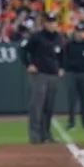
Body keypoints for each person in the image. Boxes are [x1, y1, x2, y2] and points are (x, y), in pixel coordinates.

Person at [22, 14, 65, 144]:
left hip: (53, 75)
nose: (52, 24)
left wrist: (62, 67)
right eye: (49, 22)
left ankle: (46, 134)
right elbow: (23, 51)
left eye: (54, 22)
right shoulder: (37, 37)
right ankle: (35, 136)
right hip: (40, 75)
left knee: (49, 107)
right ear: (44, 23)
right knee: (36, 106)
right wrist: (29, 64)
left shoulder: (59, 38)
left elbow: (62, 55)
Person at [63, 28, 84, 130]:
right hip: (72, 74)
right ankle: (71, 122)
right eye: (77, 33)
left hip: (83, 74)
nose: (79, 35)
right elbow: (65, 60)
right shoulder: (69, 46)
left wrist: (79, 64)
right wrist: (73, 65)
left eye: (81, 32)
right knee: (72, 99)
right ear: (74, 34)